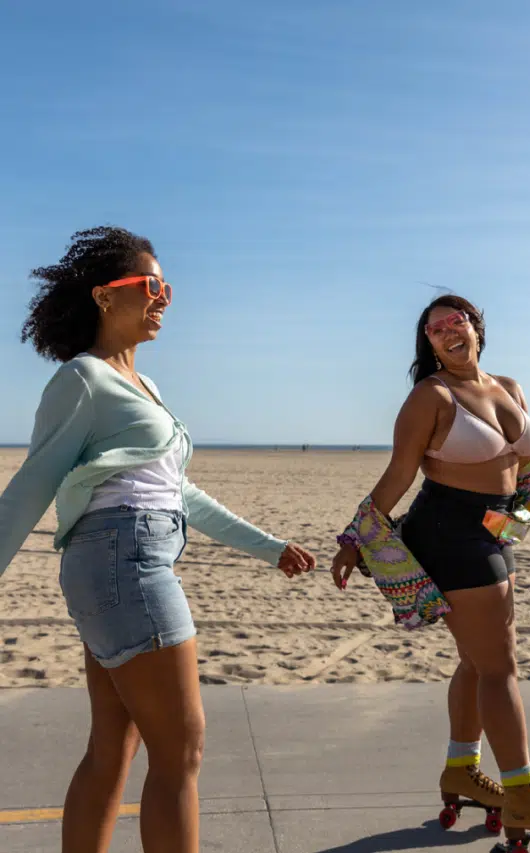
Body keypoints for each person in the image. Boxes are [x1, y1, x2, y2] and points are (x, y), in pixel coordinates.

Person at [0, 226, 316, 853]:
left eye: (167, 287)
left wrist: (267, 545)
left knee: (115, 743)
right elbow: (32, 483)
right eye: (150, 285)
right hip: (127, 561)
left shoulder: (144, 387)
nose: (164, 297)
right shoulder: (84, 378)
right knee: (183, 747)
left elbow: (180, 493)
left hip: (121, 560)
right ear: (102, 297)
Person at [331, 294, 530, 847]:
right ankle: (523, 793)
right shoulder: (430, 397)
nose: (447, 332)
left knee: (478, 662)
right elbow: (399, 474)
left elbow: (526, 473)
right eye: (434, 330)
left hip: (498, 526)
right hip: (448, 531)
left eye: (456, 322)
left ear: (476, 328)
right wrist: (357, 537)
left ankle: (461, 768)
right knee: (500, 667)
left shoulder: (509, 387)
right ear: (428, 344)